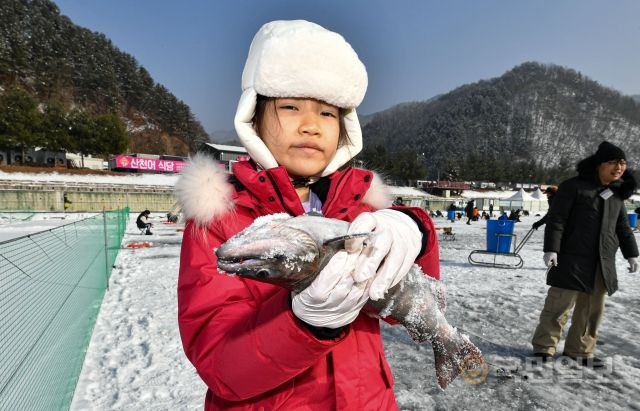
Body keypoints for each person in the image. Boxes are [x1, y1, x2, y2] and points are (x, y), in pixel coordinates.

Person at [175, 20, 440, 410]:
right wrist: (304, 323)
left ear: (346, 127)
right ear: (254, 118)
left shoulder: (365, 209)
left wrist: (417, 230)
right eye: (291, 106)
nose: (311, 125)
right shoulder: (219, 222)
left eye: (328, 113)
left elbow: (406, 310)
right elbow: (220, 365)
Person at [531, 141, 638, 367]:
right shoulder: (574, 187)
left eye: (622, 163)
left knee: (591, 311)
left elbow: (623, 228)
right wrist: (552, 248)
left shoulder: (616, 194)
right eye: (613, 163)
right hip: (571, 259)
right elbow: (557, 219)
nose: (619, 167)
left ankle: (579, 351)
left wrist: (632, 254)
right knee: (558, 307)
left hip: (602, 261)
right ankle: (544, 347)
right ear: (599, 165)